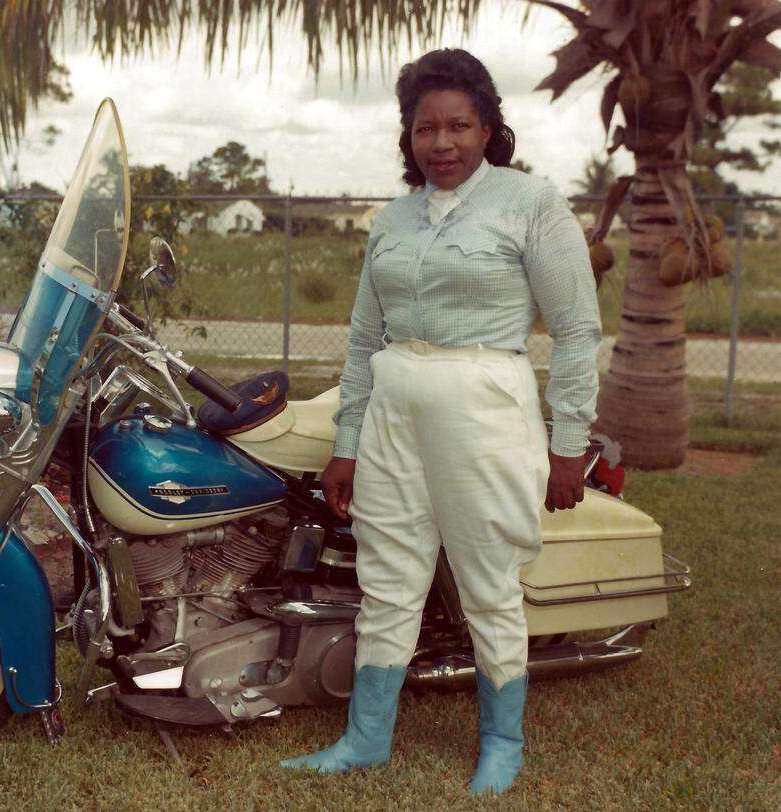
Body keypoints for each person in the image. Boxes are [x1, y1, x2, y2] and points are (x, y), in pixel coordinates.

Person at [280, 48, 601, 795]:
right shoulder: (391, 219)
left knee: (487, 579)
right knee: (388, 578)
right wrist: (347, 445)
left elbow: (578, 331)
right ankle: (364, 740)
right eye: (427, 129)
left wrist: (568, 445)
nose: (443, 143)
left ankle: (502, 742)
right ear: (408, 136)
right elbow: (364, 341)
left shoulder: (532, 204)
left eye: (460, 126)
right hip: (394, 409)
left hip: (484, 405)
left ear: (489, 128)